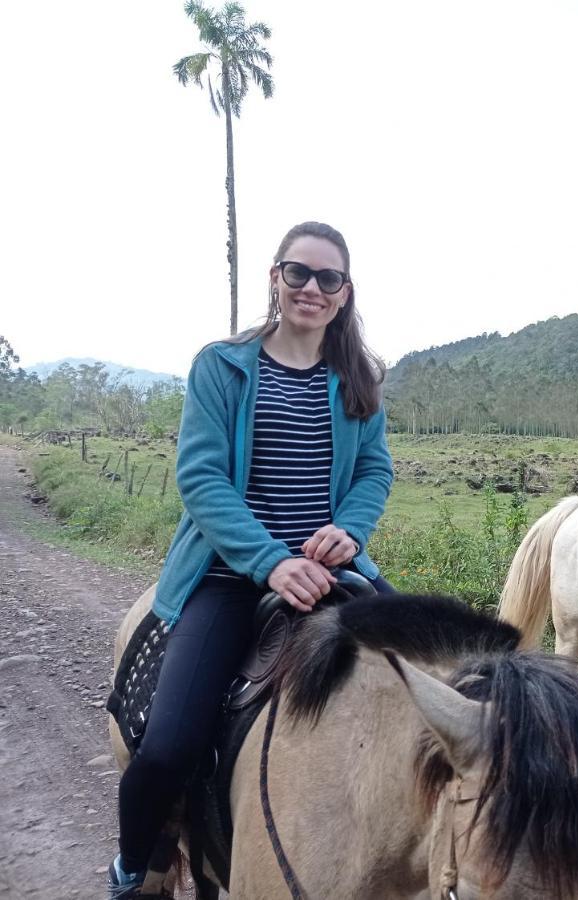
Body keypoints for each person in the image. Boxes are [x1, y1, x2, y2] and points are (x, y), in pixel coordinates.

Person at [108, 221, 394, 898]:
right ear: (275, 278)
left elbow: (375, 471)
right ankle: (134, 868)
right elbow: (202, 479)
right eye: (299, 273)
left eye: (328, 278)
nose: (312, 289)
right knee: (168, 748)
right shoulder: (224, 365)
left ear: (345, 292)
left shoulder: (359, 376)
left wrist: (348, 531)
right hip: (229, 575)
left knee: (431, 688)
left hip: (332, 574)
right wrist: (271, 561)